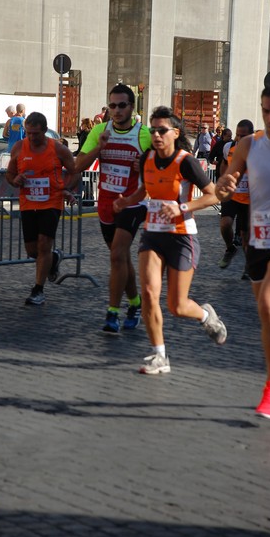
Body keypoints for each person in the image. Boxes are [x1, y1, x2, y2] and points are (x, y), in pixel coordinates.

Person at [114, 105, 227, 374]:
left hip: (181, 236)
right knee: (150, 294)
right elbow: (144, 191)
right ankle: (159, 356)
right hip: (153, 234)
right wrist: (126, 201)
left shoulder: (185, 161)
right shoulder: (147, 159)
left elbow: (215, 195)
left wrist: (183, 208)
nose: (156, 135)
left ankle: (205, 315)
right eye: (153, 130)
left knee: (176, 305)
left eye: (162, 130)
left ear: (175, 133)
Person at [215, 83, 270, 419]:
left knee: (268, 302)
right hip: (258, 238)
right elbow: (226, 182)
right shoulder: (250, 145)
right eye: (266, 110)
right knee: (266, 316)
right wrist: (225, 185)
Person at [75, 83, 152, 334]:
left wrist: (147, 169)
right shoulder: (99, 130)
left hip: (134, 202)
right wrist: (99, 147)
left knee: (117, 256)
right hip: (106, 204)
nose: (116, 110)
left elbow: (161, 170)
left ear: (132, 107)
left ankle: (111, 314)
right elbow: (78, 166)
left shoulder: (145, 135)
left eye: (122, 105)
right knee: (121, 259)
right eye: (112, 105)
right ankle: (135, 303)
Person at [6, 111, 77, 305]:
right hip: (28, 203)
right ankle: (53, 259)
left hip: (51, 202)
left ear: (44, 131)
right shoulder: (19, 147)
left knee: (44, 243)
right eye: (28, 133)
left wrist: (66, 189)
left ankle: (38, 290)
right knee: (32, 250)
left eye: (35, 133)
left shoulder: (58, 149)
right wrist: (15, 180)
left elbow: (74, 171)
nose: (31, 137)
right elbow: (10, 175)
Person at [217, 119, 254, 278]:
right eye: (237, 135)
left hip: (250, 198)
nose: (239, 138)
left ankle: (248, 267)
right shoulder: (229, 147)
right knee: (225, 224)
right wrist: (223, 178)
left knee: (246, 237)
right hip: (232, 194)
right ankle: (230, 247)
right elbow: (224, 163)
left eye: (243, 135)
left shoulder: (260, 151)